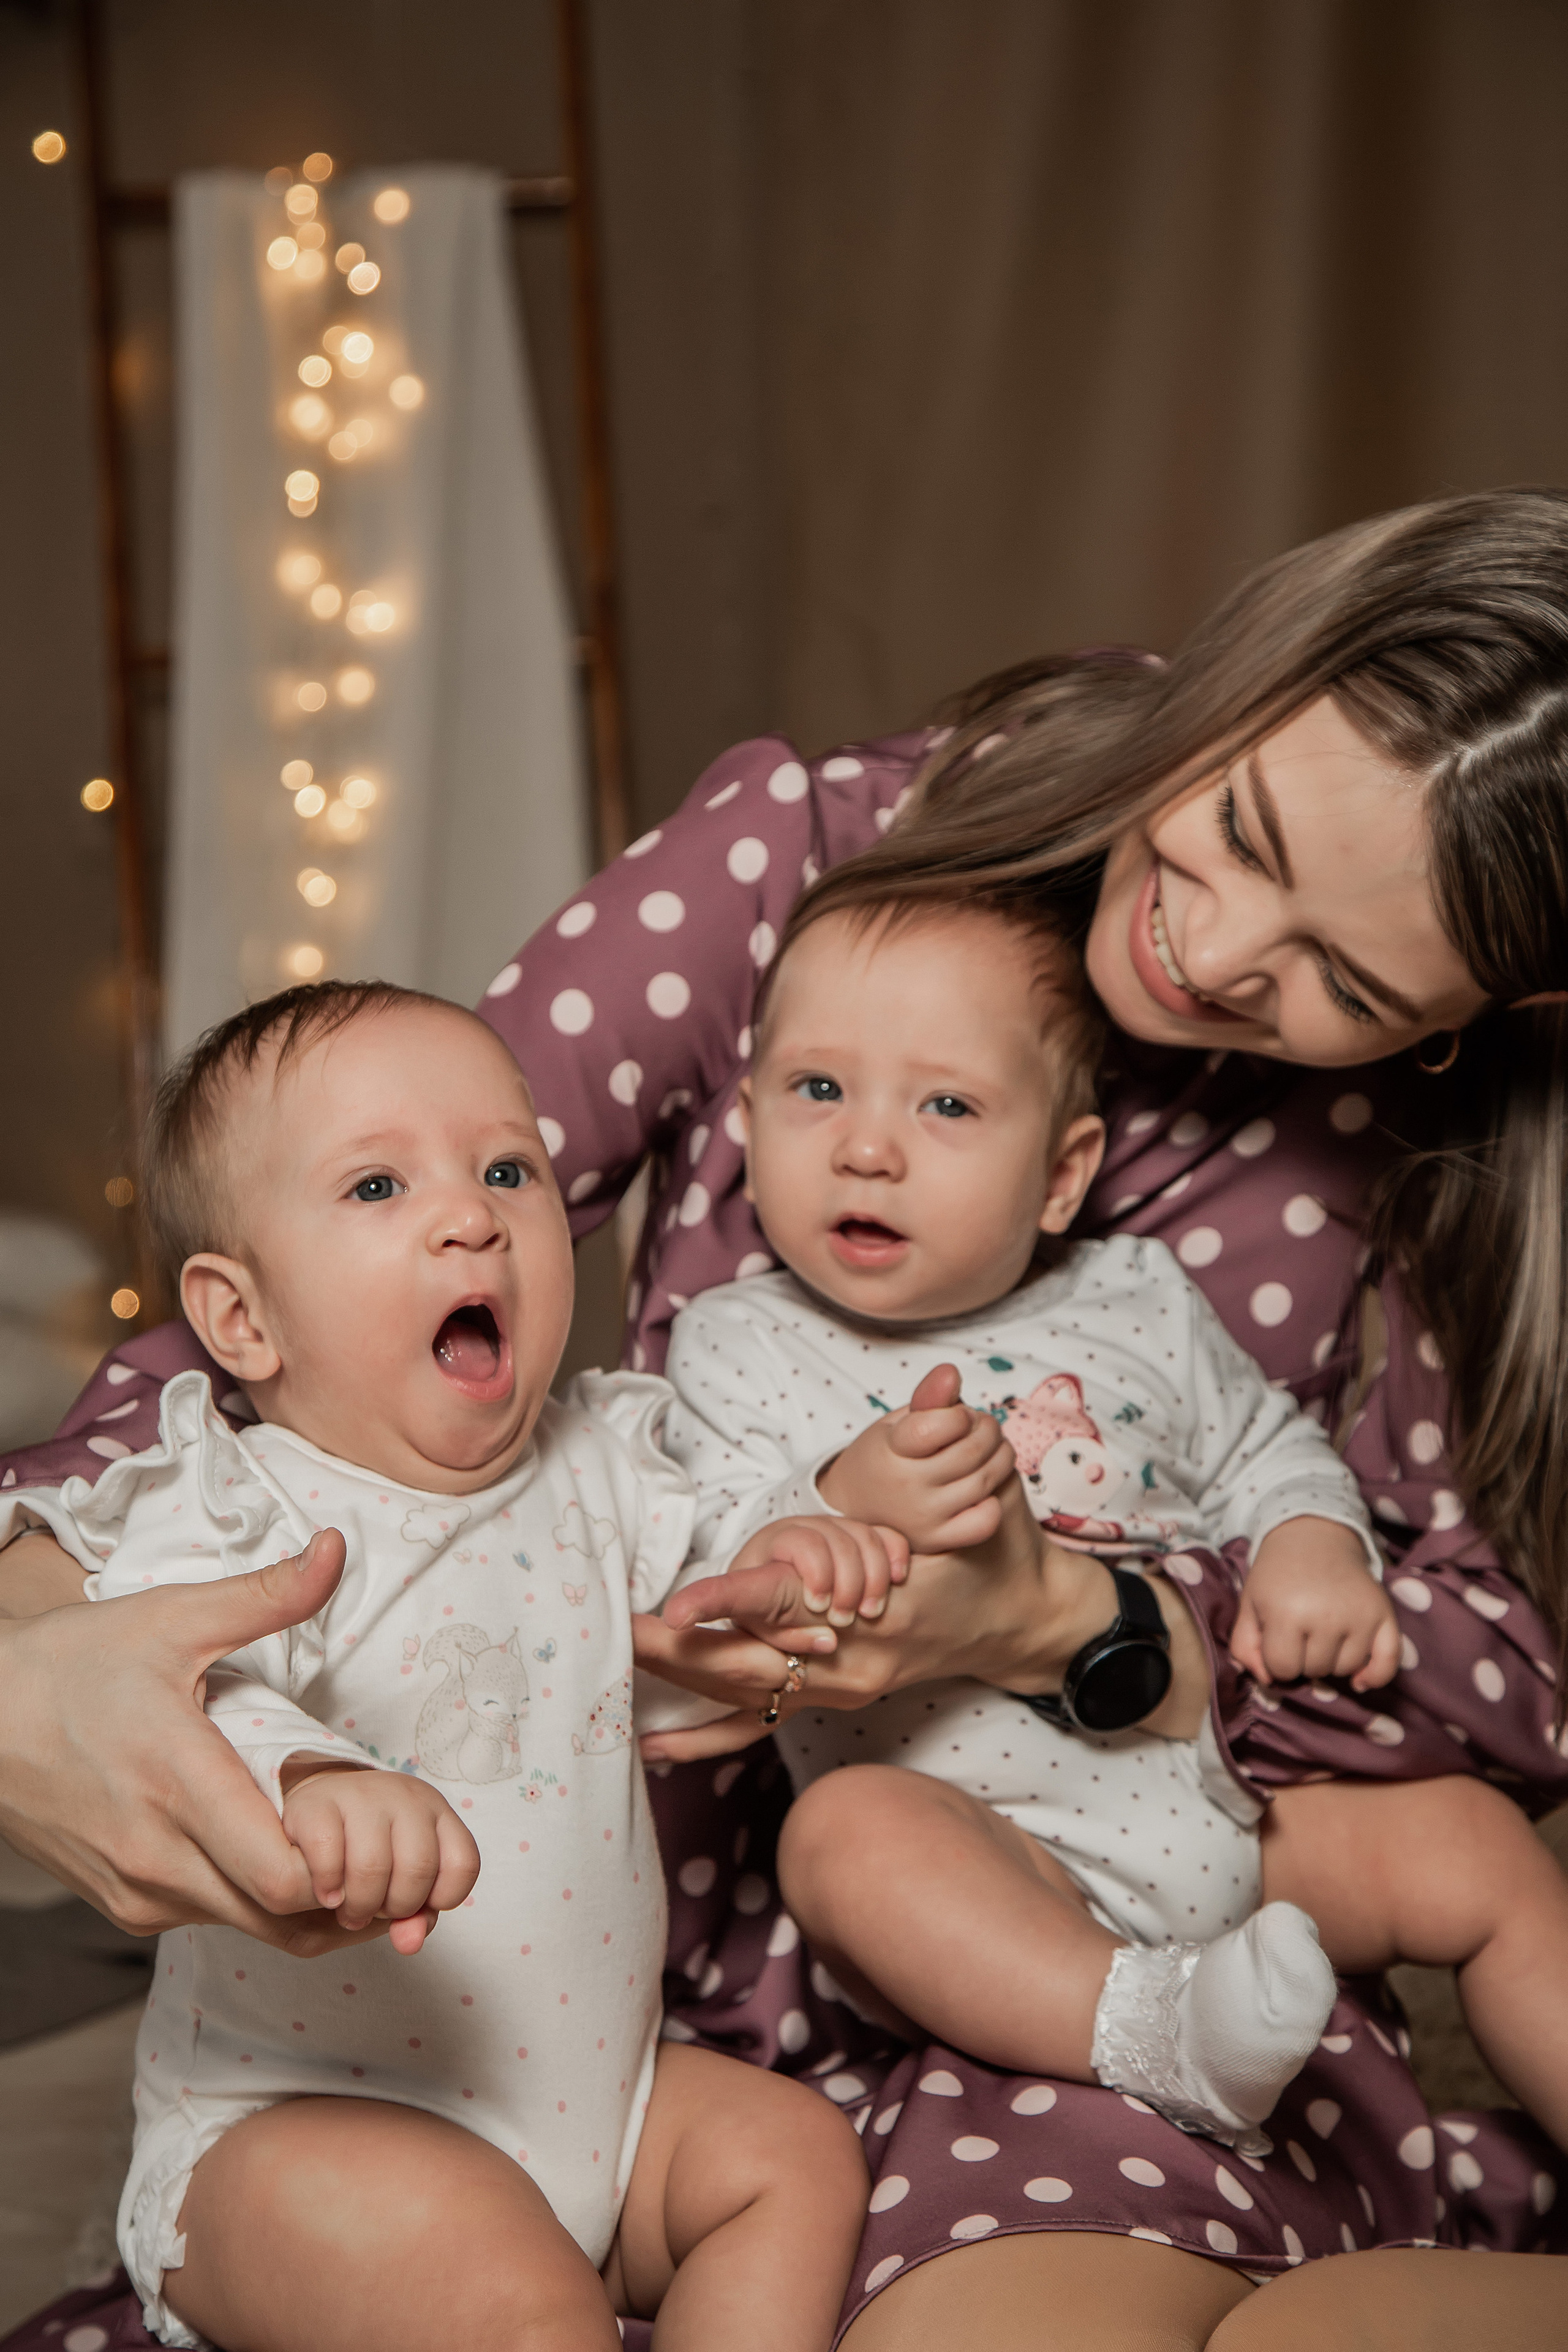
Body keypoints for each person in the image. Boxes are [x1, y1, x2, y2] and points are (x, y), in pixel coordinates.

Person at [7, 488, 1568, 2346]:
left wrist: (1088, 1627)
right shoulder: (805, 861)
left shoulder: (1408, 1141)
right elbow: (336, 1227)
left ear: (1473, 1015)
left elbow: (1497, 1677)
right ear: (1247, 673)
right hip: (660, 1979)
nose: (1228, 953)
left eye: (1351, 982)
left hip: (1134, 1940)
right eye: (1234, 832)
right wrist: (38, 1632)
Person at [1, 980, 868, 2352]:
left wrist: (789, 1550)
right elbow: (176, 1687)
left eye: (507, 1168)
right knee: (519, 2313)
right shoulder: (237, 1506)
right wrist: (311, 1775)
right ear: (240, 1321)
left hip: (598, 2105)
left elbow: (719, 1547)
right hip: (293, 2131)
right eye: (377, 1187)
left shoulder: (596, 1464)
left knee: (796, 2162)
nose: (470, 1214)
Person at [652, 882, 1568, 2165]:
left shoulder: (1134, 1295)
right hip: (973, 1849)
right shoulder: (735, 1343)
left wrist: (1313, 1543)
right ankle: (1144, 2034)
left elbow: (1264, 1447)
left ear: (1060, 1174)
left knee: (1479, 1854)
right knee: (837, 1842)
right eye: (815, 1091)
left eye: (947, 1105)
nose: (866, 1148)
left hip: (1221, 1802)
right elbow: (712, 1546)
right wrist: (831, 1506)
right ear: (744, 1121)